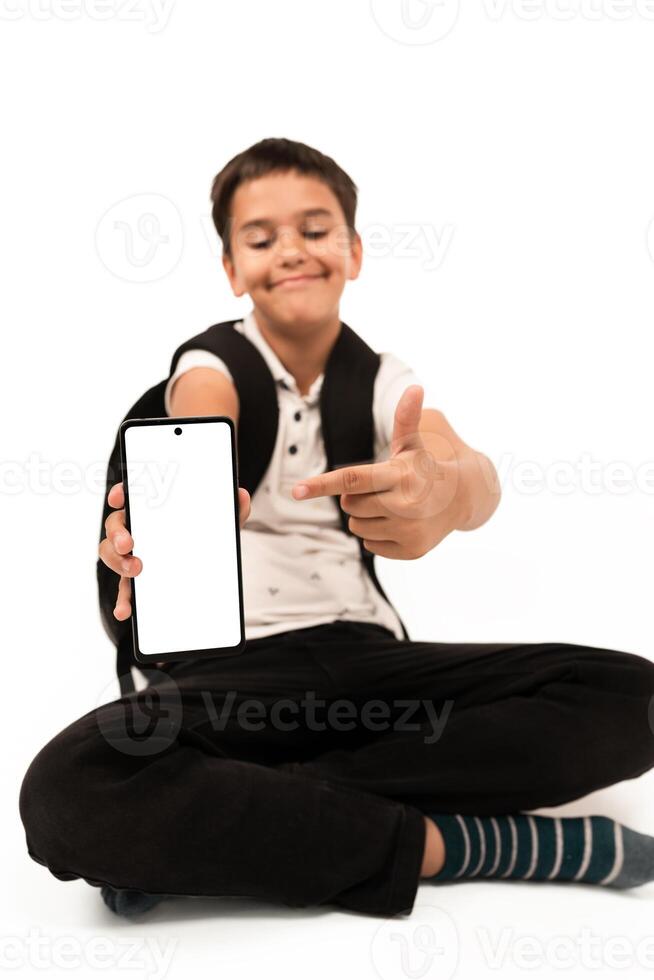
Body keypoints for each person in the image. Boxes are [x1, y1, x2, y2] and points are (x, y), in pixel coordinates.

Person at [18, 138, 654, 919]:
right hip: (235, 678)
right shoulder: (211, 367)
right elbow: (203, 404)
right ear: (231, 269)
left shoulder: (382, 380)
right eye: (260, 238)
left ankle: (228, 825)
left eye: (315, 230)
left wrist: (446, 488)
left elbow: (464, 468)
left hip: (373, 662)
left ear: (353, 251)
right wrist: (185, 499)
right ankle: (456, 845)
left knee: (635, 697)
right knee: (71, 787)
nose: (291, 250)